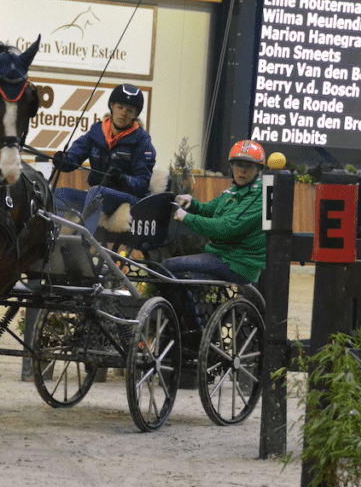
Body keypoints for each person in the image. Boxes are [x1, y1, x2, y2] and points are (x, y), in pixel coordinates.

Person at [162, 140, 267, 324]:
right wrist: (192, 203)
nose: (242, 171)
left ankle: (188, 326)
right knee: (167, 270)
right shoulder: (232, 192)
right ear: (232, 167)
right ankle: (186, 321)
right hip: (223, 257)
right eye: (238, 165)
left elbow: (227, 229)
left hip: (237, 263)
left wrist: (187, 218)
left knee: (167, 267)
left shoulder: (258, 197)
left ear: (258, 170)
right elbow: (208, 210)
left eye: (248, 166)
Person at [52, 84, 157, 234]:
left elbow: (142, 184)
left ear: (135, 114)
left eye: (130, 110)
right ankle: (55, 239)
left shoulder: (142, 141)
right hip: (95, 196)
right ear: (112, 106)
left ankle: (83, 243)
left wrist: (122, 179)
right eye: (120, 107)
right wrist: (64, 160)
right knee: (59, 194)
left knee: (96, 192)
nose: (123, 113)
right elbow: (74, 156)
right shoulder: (96, 132)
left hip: (128, 200)